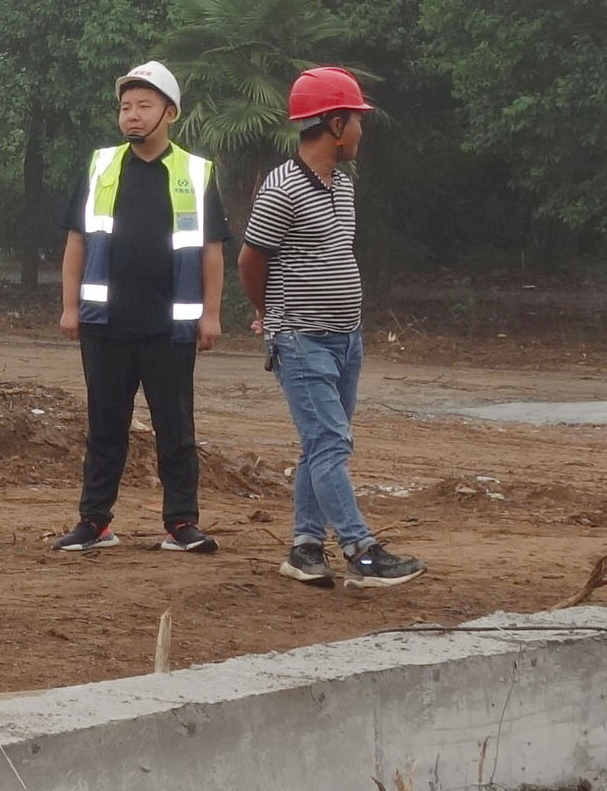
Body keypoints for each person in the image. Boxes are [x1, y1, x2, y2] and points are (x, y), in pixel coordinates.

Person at [241, 67, 425, 589]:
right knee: (330, 442)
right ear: (335, 125)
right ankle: (361, 552)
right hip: (300, 340)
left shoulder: (342, 185)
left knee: (319, 445)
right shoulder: (281, 188)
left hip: (346, 340)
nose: (363, 130)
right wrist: (268, 313)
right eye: (357, 120)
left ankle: (305, 548)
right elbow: (251, 260)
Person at [55, 60, 228, 554]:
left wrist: (211, 313)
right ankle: (94, 522)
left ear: (169, 113)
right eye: (125, 107)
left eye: (144, 106)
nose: (132, 115)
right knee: (104, 426)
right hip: (105, 324)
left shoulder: (195, 172)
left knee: (176, 429)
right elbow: (76, 241)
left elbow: (212, 249)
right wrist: (69, 307)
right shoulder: (100, 167)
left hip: (170, 328)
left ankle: (181, 523)